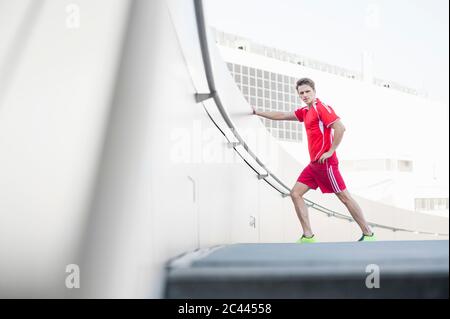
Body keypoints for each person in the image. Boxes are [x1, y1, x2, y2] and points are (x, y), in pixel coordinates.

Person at [252, 78, 375, 243]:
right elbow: (280, 115)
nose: (304, 95)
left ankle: (368, 233)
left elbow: (340, 127)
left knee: (344, 197)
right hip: (314, 166)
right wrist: (256, 111)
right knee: (295, 194)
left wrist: (330, 151)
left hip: (327, 164)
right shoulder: (305, 112)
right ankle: (308, 236)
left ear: (314, 91)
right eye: (301, 93)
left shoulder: (321, 108)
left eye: (307, 91)